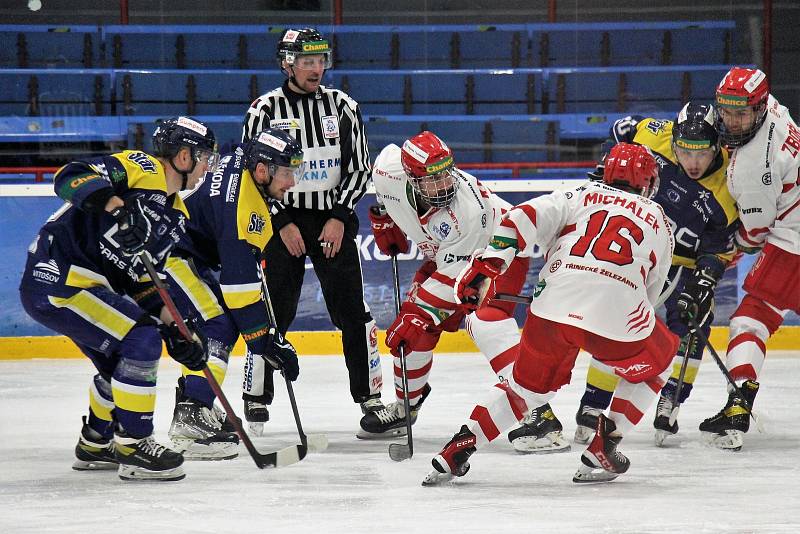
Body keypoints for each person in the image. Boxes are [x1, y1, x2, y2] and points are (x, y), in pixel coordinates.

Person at [423, 143, 679, 485]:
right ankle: (607, 442)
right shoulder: (660, 219)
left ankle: (459, 447)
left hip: (551, 309)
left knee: (523, 390)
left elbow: (518, 219)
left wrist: (488, 267)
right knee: (656, 366)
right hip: (617, 316)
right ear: (648, 182)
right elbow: (651, 293)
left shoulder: (578, 193)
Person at [19, 116, 218, 481]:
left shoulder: (176, 216)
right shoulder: (142, 168)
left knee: (123, 363)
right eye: (205, 157)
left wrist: (175, 329)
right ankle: (134, 444)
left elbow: (141, 281)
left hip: (87, 289)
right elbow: (70, 177)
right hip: (59, 278)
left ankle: (96, 442)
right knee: (140, 338)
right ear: (185, 156)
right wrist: (116, 207)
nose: (208, 167)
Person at [366, 131, 565, 451]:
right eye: (434, 179)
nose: (446, 184)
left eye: (448, 173)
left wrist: (418, 312)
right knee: (414, 331)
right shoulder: (387, 170)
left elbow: (459, 279)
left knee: (484, 321)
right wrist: (386, 219)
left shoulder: (469, 210)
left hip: (499, 254)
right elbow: (387, 194)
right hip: (446, 256)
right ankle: (407, 407)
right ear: (412, 179)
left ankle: (540, 414)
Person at [241, 27, 383, 435]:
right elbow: (254, 174)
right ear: (288, 63)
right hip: (281, 222)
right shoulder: (263, 110)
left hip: (331, 220)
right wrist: (281, 220)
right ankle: (256, 396)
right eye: (306, 61)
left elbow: (358, 168)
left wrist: (339, 215)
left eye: (321, 60)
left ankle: (370, 399)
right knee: (272, 312)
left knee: (352, 313)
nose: (315, 68)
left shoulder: (344, 107)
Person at [572, 102, 739, 446]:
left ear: (716, 148)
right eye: (683, 151)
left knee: (690, 327)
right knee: (614, 322)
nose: (692, 162)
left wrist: (705, 280)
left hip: (684, 264)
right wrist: (609, 167)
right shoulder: (653, 133)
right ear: (673, 140)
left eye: (701, 154)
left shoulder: (729, 184)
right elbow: (620, 131)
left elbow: (718, 247)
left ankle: (671, 401)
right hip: (640, 254)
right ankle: (592, 404)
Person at [164, 128, 304, 458]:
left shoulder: (241, 157)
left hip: (186, 250)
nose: (292, 183)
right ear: (262, 170)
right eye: (285, 173)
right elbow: (239, 294)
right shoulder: (247, 213)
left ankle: (193, 401)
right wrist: (268, 342)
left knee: (217, 323)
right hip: (172, 253)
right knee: (219, 324)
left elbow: (233, 145)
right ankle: (192, 412)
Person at [697, 67, 800, 451]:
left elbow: (755, 236)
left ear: (758, 109)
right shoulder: (772, 107)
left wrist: (725, 251)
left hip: (794, 242)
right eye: (726, 110)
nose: (731, 120)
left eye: (741, 113)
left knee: (749, 318)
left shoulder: (753, 168)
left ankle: (739, 402)